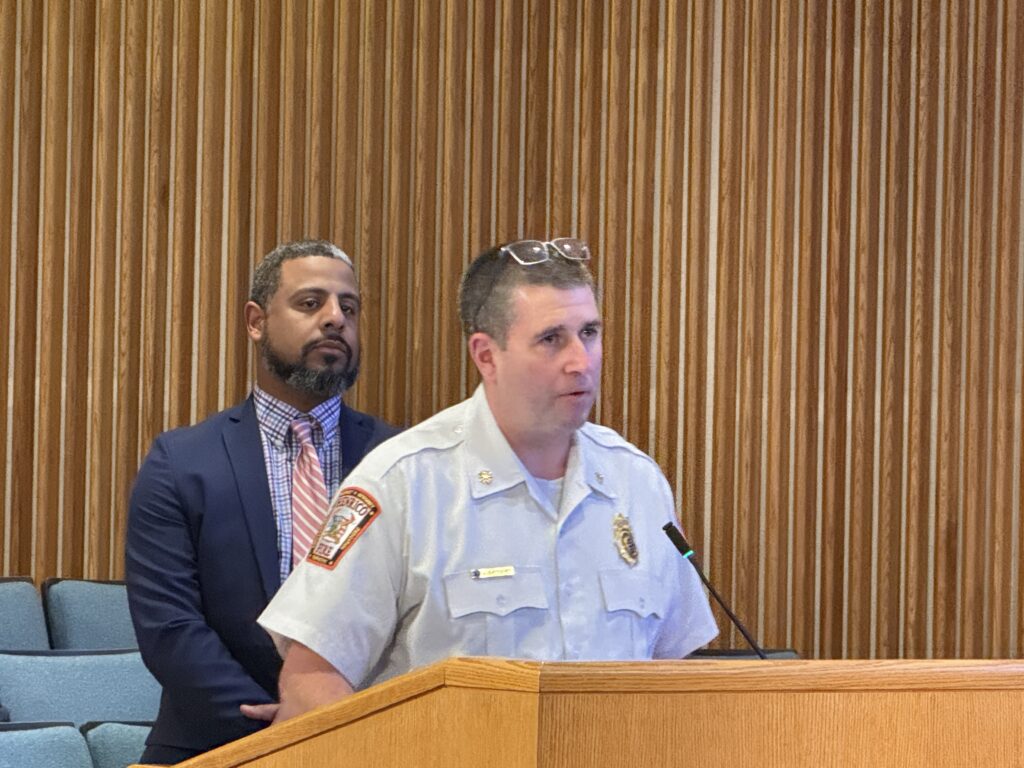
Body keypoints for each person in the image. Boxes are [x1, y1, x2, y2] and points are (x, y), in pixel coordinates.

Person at [257, 237, 719, 722]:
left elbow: (677, 668)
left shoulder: (638, 483)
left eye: (590, 332)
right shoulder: (403, 483)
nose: (581, 361)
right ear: (486, 355)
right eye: (551, 339)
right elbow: (312, 678)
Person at [125, 240, 399, 763]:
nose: (334, 319)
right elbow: (169, 625)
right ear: (256, 321)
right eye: (309, 303)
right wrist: (281, 722)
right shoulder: (181, 462)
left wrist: (344, 719)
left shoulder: (398, 459)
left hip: (366, 740)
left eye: (349, 306)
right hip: (212, 742)